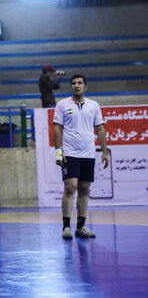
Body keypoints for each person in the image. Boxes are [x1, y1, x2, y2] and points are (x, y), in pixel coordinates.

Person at [53, 74, 109, 239]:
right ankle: (66, 227)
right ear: (71, 87)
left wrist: (104, 151)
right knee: (70, 188)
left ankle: (81, 226)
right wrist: (58, 152)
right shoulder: (62, 105)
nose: (76, 85)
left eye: (80, 83)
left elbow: (100, 129)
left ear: (85, 87)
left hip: (88, 153)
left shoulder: (94, 105)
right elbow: (57, 129)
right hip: (70, 153)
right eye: (74, 83)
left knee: (84, 189)